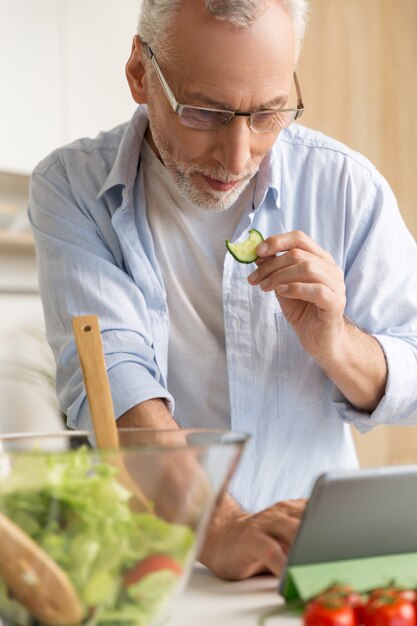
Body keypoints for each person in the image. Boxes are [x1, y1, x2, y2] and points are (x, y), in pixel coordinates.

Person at [28, 0, 417, 581]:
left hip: (315, 563)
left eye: (269, 112)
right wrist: (222, 527)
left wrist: (337, 343)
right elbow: (114, 381)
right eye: (205, 112)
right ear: (139, 73)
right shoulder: (72, 187)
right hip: (158, 567)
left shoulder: (348, 187)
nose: (238, 156)